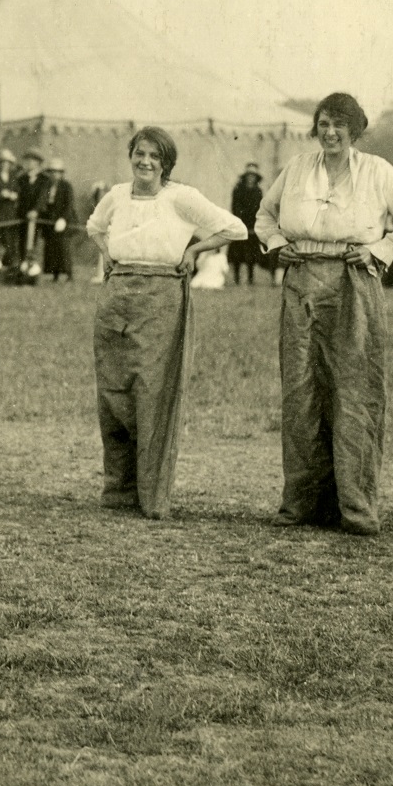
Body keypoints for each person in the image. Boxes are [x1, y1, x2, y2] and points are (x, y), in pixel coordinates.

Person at [255, 92, 393, 536]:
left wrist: (382, 248)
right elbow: (264, 215)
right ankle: (301, 504)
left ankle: (355, 507)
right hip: (301, 282)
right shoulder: (297, 168)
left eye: (339, 125)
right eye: (323, 124)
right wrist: (280, 245)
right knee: (301, 391)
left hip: (354, 282)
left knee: (354, 391)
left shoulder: (376, 171)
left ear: (355, 130)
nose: (330, 132)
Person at [86, 126, 246, 518]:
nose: (145, 162)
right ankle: (118, 490)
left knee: (151, 393)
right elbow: (93, 226)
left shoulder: (181, 197)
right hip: (117, 294)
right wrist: (108, 253)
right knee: (114, 393)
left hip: (161, 296)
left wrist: (196, 248)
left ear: (166, 163)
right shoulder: (117, 195)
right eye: (140, 154)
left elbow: (235, 228)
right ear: (131, 156)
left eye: (154, 156)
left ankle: (151, 495)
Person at [25, 157, 76, 281]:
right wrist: (36, 211)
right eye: (52, 172)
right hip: (50, 220)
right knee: (51, 248)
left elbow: (69, 205)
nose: (54, 174)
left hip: (63, 220)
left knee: (63, 248)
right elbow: (42, 200)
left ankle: (69, 275)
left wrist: (63, 219)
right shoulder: (47, 185)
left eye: (57, 172)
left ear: (61, 173)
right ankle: (55, 275)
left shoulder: (66, 186)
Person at [0, 147, 26, 273]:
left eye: (7, 162)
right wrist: (1, 192)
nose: (4, 165)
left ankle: (11, 266)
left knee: (11, 239)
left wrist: (14, 194)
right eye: (2, 162)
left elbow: (18, 190)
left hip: (11, 212)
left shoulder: (14, 176)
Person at [229, 164, 266, 285]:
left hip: (253, 227)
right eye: (249, 175)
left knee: (252, 254)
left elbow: (260, 209)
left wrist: (255, 226)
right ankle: (237, 278)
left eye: (253, 176)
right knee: (237, 254)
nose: (251, 178)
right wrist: (241, 225)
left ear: (256, 178)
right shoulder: (238, 190)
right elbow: (235, 208)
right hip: (240, 225)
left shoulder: (258, 192)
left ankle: (250, 278)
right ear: (245, 177)